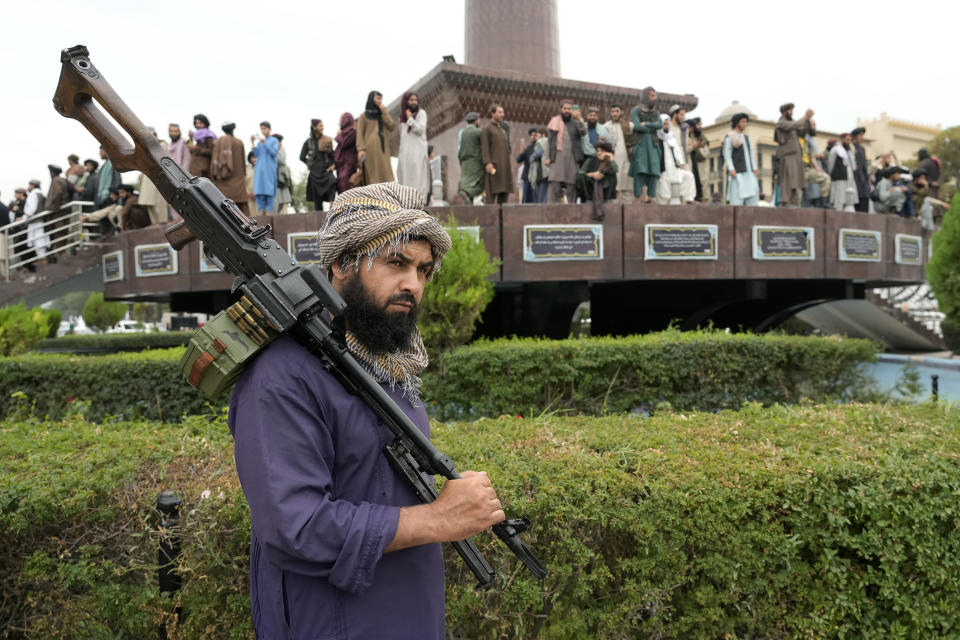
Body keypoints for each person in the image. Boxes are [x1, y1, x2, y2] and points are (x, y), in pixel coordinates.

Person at [228, 182, 503, 640]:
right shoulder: (283, 373)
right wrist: (437, 518)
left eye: (423, 270)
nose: (412, 284)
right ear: (342, 263)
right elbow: (296, 526)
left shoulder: (385, 363)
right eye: (396, 262)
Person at [545, 100, 586, 203]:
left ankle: (571, 210)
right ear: (561, 109)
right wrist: (547, 157)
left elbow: (583, 132)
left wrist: (580, 118)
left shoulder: (576, 122)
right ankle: (552, 209)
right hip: (557, 157)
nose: (567, 111)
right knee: (554, 184)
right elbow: (549, 141)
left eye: (569, 109)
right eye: (565, 108)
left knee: (572, 185)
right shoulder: (554, 121)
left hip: (572, 158)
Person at [775, 103, 814, 206]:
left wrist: (808, 120)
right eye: (790, 110)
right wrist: (805, 117)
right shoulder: (781, 123)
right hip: (787, 156)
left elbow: (802, 130)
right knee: (787, 180)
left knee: (796, 182)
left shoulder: (793, 124)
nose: (791, 112)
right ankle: (785, 202)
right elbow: (793, 125)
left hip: (796, 156)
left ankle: (794, 204)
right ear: (784, 111)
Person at [655, 107, 696, 204]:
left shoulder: (671, 138)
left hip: (674, 168)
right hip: (662, 169)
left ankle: (689, 200)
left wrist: (681, 164)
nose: (665, 126)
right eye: (664, 124)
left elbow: (677, 152)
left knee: (688, 176)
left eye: (667, 124)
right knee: (663, 189)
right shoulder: (655, 138)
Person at [628, 87, 662, 202]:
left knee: (653, 171)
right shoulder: (636, 111)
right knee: (640, 170)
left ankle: (650, 198)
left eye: (655, 95)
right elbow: (637, 126)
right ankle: (637, 198)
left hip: (653, 145)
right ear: (645, 96)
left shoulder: (656, 112)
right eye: (652, 95)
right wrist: (652, 126)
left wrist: (646, 123)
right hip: (640, 144)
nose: (655, 98)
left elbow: (660, 125)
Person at [211, 121, 250, 215]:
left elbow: (214, 165)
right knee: (242, 213)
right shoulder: (239, 142)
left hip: (223, 184)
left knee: (225, 212)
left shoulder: (219, 142)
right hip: (239, 183)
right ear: (233, 129)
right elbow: (243, 166)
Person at [357, 91, 396, 184]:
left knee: (386, 172)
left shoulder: (381, 114)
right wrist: (361, 149)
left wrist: (384, 112)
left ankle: (386, 195)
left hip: (383, 149)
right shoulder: (363, 116)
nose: (380, 101)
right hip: (370, 150)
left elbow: (391, 126)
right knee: (373, 173)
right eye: (378, 98)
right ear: (371, 99)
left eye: (381, 99)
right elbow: (359, 134)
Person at [397, 92, 431, 200]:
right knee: (404, 177)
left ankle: (419, 202)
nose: (414, 102)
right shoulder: (402, 118)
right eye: (411, 100)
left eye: (416, 100)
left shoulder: (421, 114)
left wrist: (410, 119)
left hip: (418, 152)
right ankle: (406, 201)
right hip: (405, 153)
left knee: (418, 177)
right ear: (406, 102)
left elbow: (420, 130)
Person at [722, 113, 759, 206]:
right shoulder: (729, 137)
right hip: (737, 173)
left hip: (749, 172)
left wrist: (754, 167)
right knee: (737, 198)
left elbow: (751, 154)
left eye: (746, 122)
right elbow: (727, 155)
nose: (745, 124)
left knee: (753, 195)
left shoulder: (746, 138)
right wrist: (731, 168)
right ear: (736, 123)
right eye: (743, 121)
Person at [480, 103, 514, 204]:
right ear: (493, 113)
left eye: (503, 112)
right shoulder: (487, 129)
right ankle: (490, 217)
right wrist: (488, 163)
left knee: (504, 192)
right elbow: (485, 148)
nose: (502, 114)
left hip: (505, 166)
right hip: (494, 166)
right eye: (500, 112)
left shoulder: (503, 130)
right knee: (492, 192)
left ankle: (501, 216)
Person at [301, 119, 337, 210]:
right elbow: (301, 157)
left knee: (332, 181)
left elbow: (332, 156)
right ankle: (318, 219)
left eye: (322, 125)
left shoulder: (327, 140)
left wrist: (333, 165)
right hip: (314, 173)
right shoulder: (308, 142)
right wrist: (310, 164)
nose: (322, 127)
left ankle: (332, 205)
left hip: (325, 170)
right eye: (320, 126)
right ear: (314, 127)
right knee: (317, 198)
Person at [138, 127, 169, 224]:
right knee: (151, 208)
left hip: (159, 180)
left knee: (160, 210)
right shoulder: (145, 147)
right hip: (148, 180)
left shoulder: (162, 145)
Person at [603, 104, 634, 204]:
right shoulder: (606, 126)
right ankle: (613, 215)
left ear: (622, 112)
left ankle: (628, 215)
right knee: (614, 186)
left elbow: (636, 140)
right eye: (612, 112)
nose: (615, 114)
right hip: (613, 161)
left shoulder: (630, 125)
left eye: (617, 111)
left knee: (628, 187)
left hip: (627, 160)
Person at [575, 139, 618, 205]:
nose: (599, 153)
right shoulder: (590, 160)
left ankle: (607, 200)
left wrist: (611, 156)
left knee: (612, 176)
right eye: (597, 151)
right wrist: (593, 174)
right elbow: (581, 173)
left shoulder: (609, 162)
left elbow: (616, 169)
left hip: (605, 188)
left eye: (602, 151)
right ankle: (588, 200)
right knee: (581, 177)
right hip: (592, 187)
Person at [799, 121, 830, 208]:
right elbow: (810, 155)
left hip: (814, 169)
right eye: (813, 125)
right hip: (808, 170)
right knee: (809, 196)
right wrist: (818, 156)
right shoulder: (805, 139)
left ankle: (822, 204)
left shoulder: (811, 140)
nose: (814, 128)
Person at [251, 121, 279, 214]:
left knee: (269, 189)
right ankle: (261, 210)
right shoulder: (260, 143)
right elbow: (256, 154)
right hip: (259, 169)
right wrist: (252, 143)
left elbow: (274, 153)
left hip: (269, 169)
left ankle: (269, 211)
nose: (263, 131)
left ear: (269, 129)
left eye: (264, 129)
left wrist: (266, 143)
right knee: (259, 190)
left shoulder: (274, 140)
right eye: (261, 129)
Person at [45, 164, 73, 256]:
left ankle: (61, 255)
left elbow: (58, 193)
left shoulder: (56, 180)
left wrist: (56, 209)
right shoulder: (63, 180)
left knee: (59, 234)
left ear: (52, 173)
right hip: (63, 212)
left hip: (59, 213)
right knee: (61, 234)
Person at [826, 133, 858, 212]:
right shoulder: (836, 149)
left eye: (850, 140)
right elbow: (831, 164)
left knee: (848, 200)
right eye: (847, 140)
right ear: (842, 139)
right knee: (839, 199)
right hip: (839, 177)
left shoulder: (849, 152)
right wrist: (831, 174)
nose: (848, 142)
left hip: (849, 178)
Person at [456, 112, 484, 204]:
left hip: (464, 162)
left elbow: (459, 149)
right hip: (475, 161)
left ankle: (467, 198)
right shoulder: (478, 132)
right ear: (476, 121)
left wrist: (461, 161)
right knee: (477, 182)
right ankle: (466, 193)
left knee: (465, 180)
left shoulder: (461, 132)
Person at [516, 127, 547, 203]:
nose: (533, 137)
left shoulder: (542, 146)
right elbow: (518, 160)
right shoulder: (528, 148)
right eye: (532, 135)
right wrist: (521, 152)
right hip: (528, 177)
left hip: (537, 177)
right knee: (527, 200)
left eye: (535, 135)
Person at [23, 179, 51, 262]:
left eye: (29, 185)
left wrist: (25, 216)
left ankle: (42, 258)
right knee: (41, 239)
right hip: (41, 220)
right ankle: (42, 257)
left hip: (35, 221)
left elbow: (31, 210)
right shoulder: (41, 193)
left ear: (32, 185)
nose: (28, 187)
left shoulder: (33, 194)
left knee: (38, 240)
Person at [334, 113, 359, 194]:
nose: (339, 122)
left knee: (345, 185)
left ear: (346, 120)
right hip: (341, 164)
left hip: (348, 163)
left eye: (341, 120)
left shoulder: (353, 131)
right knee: (340, 186)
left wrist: (338, 135)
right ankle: (343, 205)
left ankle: (348, 205)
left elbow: (345, 143)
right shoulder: (344, 132)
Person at [685, 117, 709, 202]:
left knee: (701, 186)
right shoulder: (684, 137)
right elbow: (683, 150)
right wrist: (693, 146)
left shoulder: (700, 137)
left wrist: (699, 146)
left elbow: (706, 153)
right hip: (689, 164)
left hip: (699, 165)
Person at [850, 127, 870, 211]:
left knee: (865, 200)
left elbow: (864, 165)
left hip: (863, 179)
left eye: (862, 135)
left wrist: (867, 178)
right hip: (855, 179)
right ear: (854, 136)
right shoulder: (850, 147)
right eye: (860, 135)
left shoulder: (862, 149)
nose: (862, 137)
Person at [274, 134, 294, 214]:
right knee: (276, 202)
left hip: (282, 177)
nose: (280, 143)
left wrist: (280, 150)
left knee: (283, 202)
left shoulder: (282, 149)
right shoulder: (273, 150)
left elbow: (281, 161)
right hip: (274, 178)